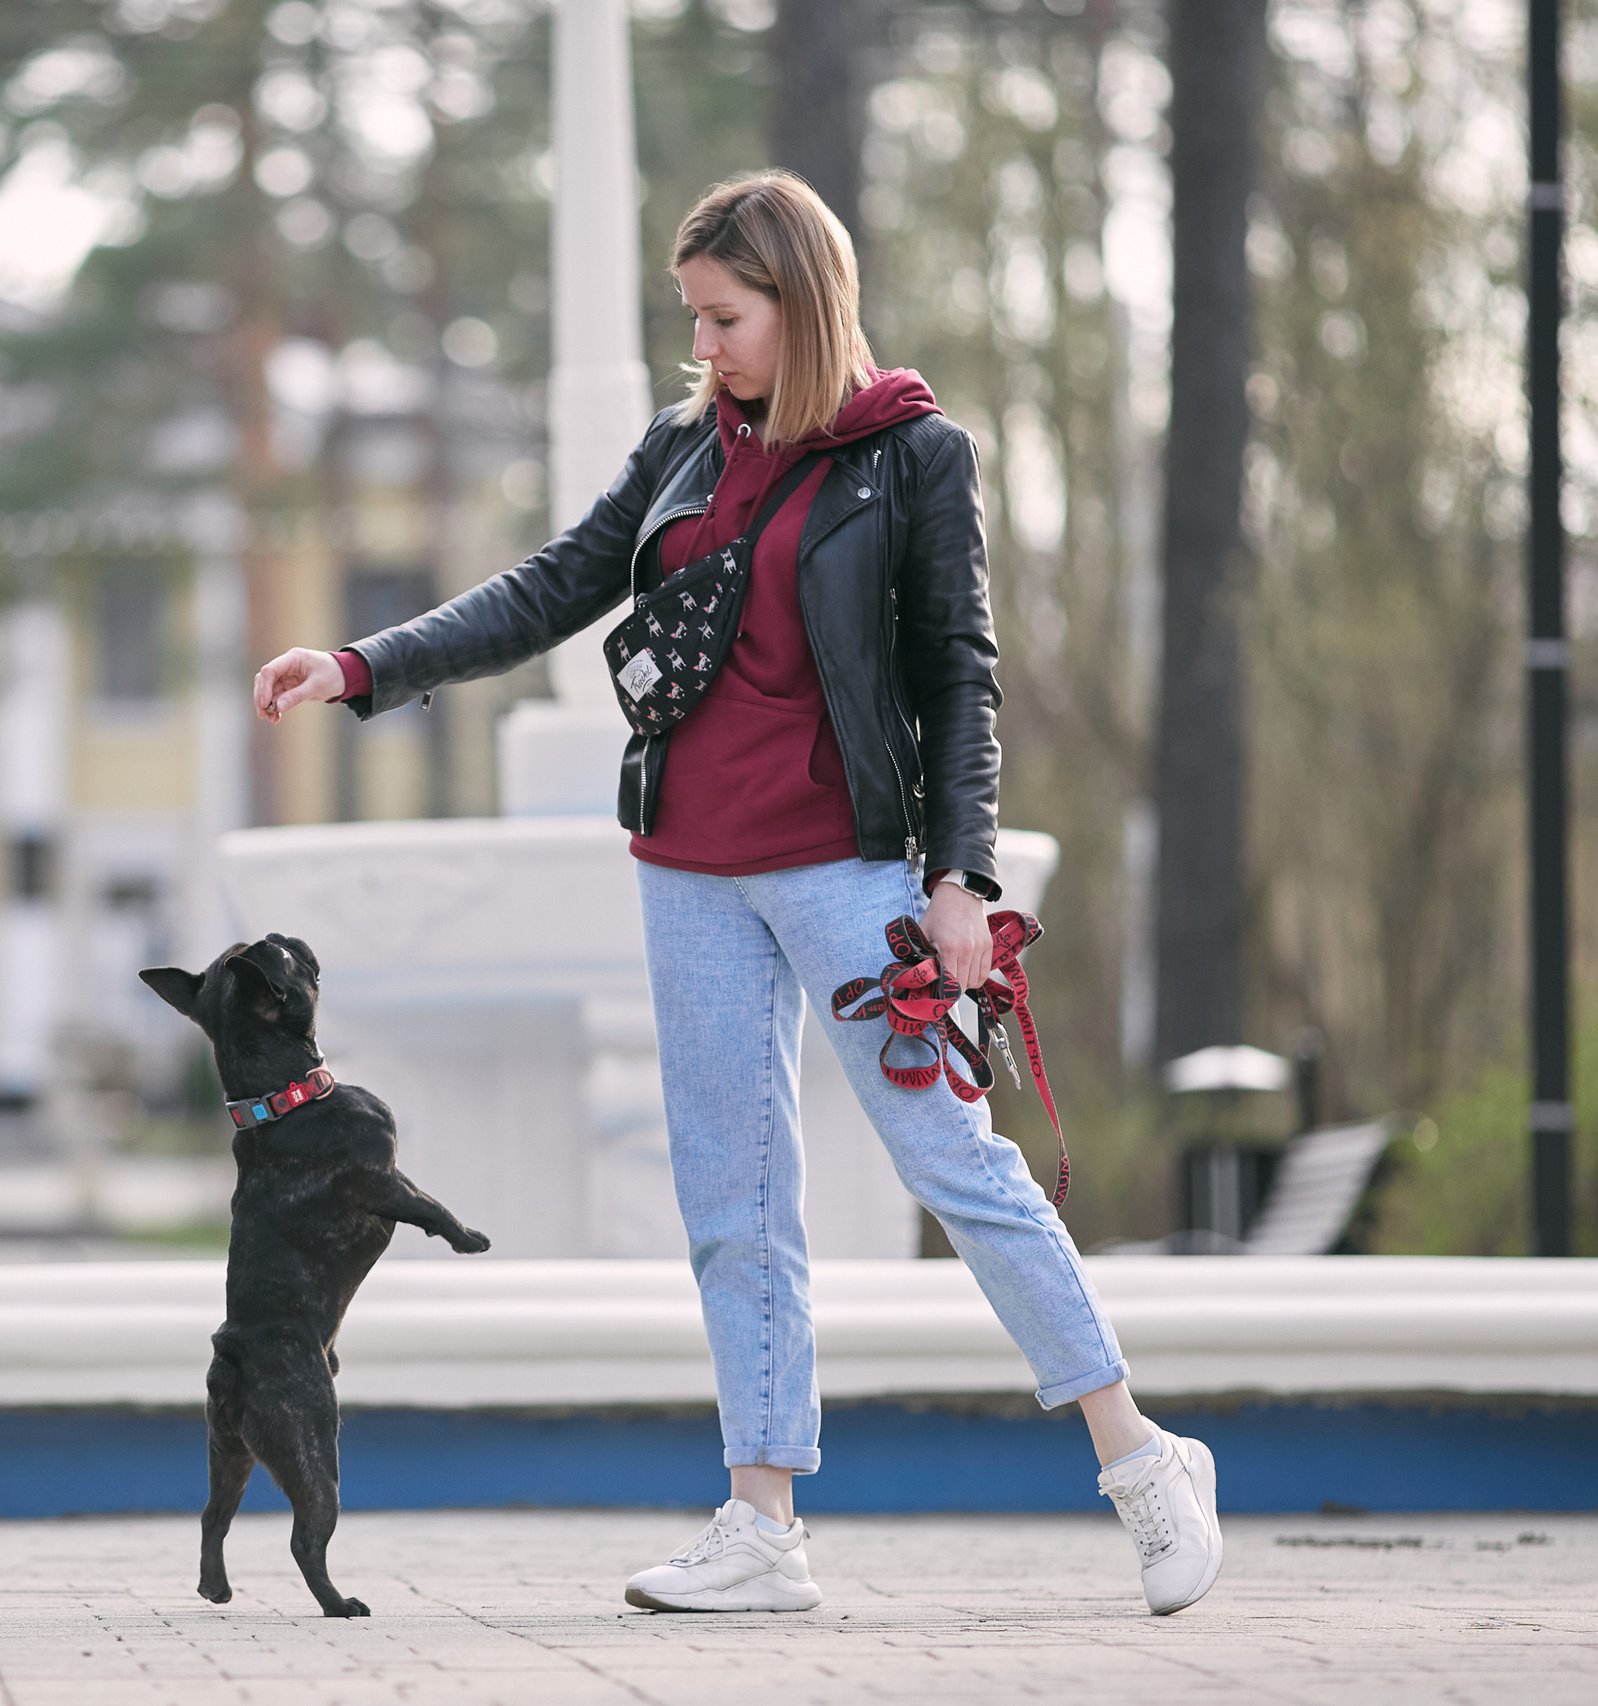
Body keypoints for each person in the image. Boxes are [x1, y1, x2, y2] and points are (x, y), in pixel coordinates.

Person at [250, 171, 1221, 1617]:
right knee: (734, 1196)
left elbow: (960, 675)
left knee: (954, 1163)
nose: (704, 347)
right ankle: (762, 1523)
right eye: (691, 320)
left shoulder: (914, 457)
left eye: (726, 318)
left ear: (802, 300)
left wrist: (962, 877)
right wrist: (366, 663)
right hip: (688, 871)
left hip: (845, 866)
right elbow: (547, 588)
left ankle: (1143, 1462)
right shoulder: (683, 450)